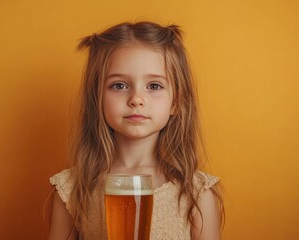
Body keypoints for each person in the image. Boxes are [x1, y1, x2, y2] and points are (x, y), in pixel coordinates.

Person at [47, 21, 224, 240]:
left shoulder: (197, 194)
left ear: (176, 101)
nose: (136, 99)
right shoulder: (73, 189)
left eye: (154, 86)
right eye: (119, 85)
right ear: (97, 99)